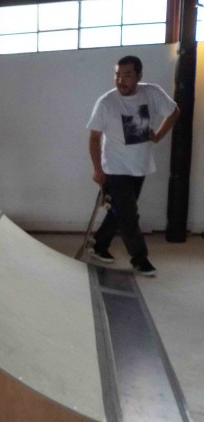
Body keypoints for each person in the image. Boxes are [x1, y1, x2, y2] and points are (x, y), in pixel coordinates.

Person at [86, 55, 180, 276]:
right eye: (117, 75)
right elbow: (94, 138)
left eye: (127, 75)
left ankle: (99, 244)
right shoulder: (106, 102)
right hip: (114, 168)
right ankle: (140, 259)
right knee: (129, 215)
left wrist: (159, 135)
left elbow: (174, 111)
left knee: (119, 211)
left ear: (139, 75)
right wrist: (98, 170)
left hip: (139, 167)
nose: (121, 81)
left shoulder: (152, 93)